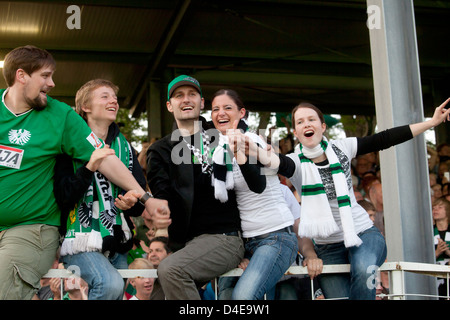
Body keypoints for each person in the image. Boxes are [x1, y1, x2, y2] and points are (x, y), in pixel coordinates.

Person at [0, 45, 170, 300]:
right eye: (45, 76)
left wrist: (144, 198)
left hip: (30, 228)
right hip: (73, 238)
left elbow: (106, 161)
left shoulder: (62, 117)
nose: (53, 83)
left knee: (110, 286)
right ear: (21, 75)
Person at [240, 98, 450, 300]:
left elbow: (384, 139)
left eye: (311, 119)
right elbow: (274, 161)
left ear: (323, 127)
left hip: (362, 234)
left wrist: (431, 123)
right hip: (328, 247)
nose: (307, 124)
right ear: (295, 132)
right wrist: (255, 151)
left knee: (363, 270)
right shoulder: (294, 162)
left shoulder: (343, 147)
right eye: (300, 122)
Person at [146, 75, 265, 300]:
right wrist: (146, 203)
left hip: (224, 237)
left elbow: (241, 125)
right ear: (169, 106)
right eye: (179, 95)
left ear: (202, 103)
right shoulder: (160, 150)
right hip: (187, 244)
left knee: (171, 270)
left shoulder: (222, 133)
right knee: (157, 296)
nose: (186, 99)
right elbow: (161, 198)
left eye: (192, 94)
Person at [53, 79, 148, 300]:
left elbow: (139, 199)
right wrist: (90, 168)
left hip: (118, 240)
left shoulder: (125, 148)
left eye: (114, 97)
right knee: (110, 286)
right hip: (79, 240)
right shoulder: (67, 145)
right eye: (104, 96)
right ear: (85, 107)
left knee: (114, 294)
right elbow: (63, 197)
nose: (113, 100)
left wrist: (131, 203)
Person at [210, 89, 299, 300]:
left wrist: (239, 150)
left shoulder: (252, 140)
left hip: (276, 237)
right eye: (215, 109)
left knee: (243, 298)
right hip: (247, 243)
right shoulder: (218, 152)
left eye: (227, 108)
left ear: (242, 113)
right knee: (225, 296)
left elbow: (257, 185)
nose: (220, 113)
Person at [432, 196, 450, 298]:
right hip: (435, 278)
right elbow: (421, 259)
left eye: (440, 207)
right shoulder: (428, 232)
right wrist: (437, 252)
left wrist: (448, 252)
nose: (435, 210)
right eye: (434, 207)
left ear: (447, 211)